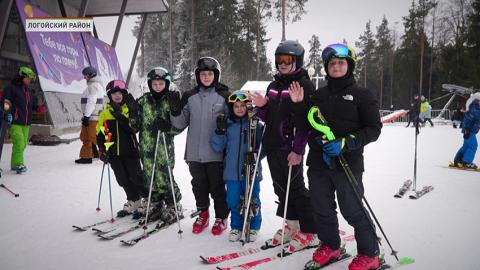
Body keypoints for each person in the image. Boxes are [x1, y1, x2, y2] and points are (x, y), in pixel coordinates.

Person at [289, 43, 382, 270]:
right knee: (321, 208)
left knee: (352, 208)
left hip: (348, 163)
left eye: (341, 62)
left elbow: (373, 129)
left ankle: (370, 254)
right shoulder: (318, 95)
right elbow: (305, 125)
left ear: (349, 65)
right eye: (332, 63)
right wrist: (300, 105)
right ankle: (331, 246)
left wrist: (346, 142)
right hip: (319, 162)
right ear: (326, 67)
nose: (336, 66)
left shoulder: (362, 95)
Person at [250, 40, 318, 254]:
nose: (282, 64)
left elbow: (305, 124)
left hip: (290, 148)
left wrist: (298, 150)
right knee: (281, 189)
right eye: (280, 59)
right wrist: (262, 107)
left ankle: (309, 231)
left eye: (287, 60)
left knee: (297, 189)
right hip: (272, 146)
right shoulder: (274, 86)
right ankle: (292, 225)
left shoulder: (304, 86)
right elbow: (269, 117)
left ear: (297, 60)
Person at [169, 57, 230, 235]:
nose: (206, 77)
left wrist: (224, 126)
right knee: (199, 185)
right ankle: (203, 213)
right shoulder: (190, 96)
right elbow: (180, 123)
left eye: (210, 73)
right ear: (198, 75)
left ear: (216, 75)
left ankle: (221, 217)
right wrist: (174, 111)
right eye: (203, 74)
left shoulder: (224, 96)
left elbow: (232, 120)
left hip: (216, 152)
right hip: (194, 153)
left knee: (217, 187)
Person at [130, 67, 183, 221]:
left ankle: (173, 203)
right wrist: (133, 113)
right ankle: (156, 203)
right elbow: (134, 127)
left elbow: (179, 127)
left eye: (161, 83)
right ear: (150, 84)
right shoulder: (143, 101)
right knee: (149, 176)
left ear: (166, 84)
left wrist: (169, 126)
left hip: (164, 147)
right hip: (146, 148)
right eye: (155, 84)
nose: (158, 86)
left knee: (165, 175)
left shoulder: (170, 101)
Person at [211, 91, 264, 242]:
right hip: (232, 172)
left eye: (243, 106)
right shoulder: (228, 125)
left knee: (253, 199)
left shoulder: (255, 125)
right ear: (231, 107)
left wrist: (255, 155)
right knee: (233, 200)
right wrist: (219, 131)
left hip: (251, 171)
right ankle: (237, 226)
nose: (240, 109)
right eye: (236, 106)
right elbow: (217, 147)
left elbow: (264, 148)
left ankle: (254, 226)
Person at [96, 80, 149, 217]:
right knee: (122, 178)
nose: (117, 96)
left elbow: (133, 129)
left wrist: (122, 116)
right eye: (114, 93)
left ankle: (147, 199)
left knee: (136, 177)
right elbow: (100, 132)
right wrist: (102, 149)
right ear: (110, 95)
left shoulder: (129, 110)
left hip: (130, 151)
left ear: (124, 94)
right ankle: (133, 200)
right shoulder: (105, 113)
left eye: (120, 92)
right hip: (114, 153)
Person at [3, 67, 38, 174]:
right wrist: (7, 115)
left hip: (26, 122)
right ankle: (19, 164)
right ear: (21, 76)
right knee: (19, 142)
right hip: (14, 121)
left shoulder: (29, 91)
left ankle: (14, 164)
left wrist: (38, 107)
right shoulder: (11, 88)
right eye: (28, 78)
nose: (29, 81)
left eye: (31, 79)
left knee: (23, 145)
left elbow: (31, 105)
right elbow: (6, 102)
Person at [76, 66, 104, 164]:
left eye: (85, 75)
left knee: (94, 137)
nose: (84, 77)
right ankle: (88, 155)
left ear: (90, 75)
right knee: (86, 136)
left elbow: (91, 101)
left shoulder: (93, 86)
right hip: (91, 116)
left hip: (92, 117)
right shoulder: (94, 85)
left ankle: (107, 154)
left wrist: (87, 116)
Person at [453, 92, 480, 169]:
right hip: (470, 131)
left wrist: (466, 130)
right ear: (477, 101)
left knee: (466, 146)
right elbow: (472, 121)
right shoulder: (476, 110)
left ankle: (458, 160)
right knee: (473, 146)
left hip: (468, 131)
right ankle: (467, 162)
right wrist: (468, 130)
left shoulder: (472, 108)